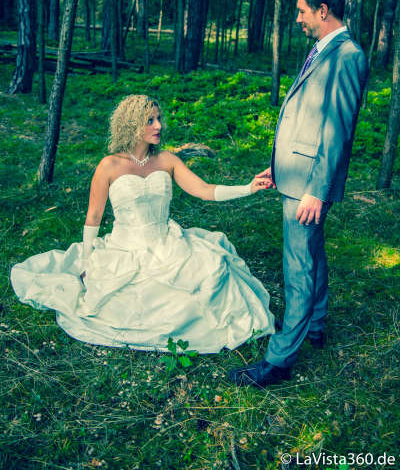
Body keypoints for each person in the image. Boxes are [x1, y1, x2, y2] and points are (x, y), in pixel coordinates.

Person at [11, 94, 276, 353]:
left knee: (212, 272)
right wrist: (87, 262)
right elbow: (93, 217)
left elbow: (204, 190)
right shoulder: (109, 165)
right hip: (125, 249)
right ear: (131, 124)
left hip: (167, 244)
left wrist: (248, 188)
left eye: (158, 119)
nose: (158, 125)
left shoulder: (167, 160)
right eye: (150, 120)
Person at [229, 0, 369, 387]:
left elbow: (337, 131)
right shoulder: (322, 49)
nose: (297, 18)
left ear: (323, 11)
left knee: (298, 267)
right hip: (298, 176)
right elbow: (307, 119)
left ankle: (279, 361)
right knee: (312, 254)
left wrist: (316, 191)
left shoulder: (347, 56)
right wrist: (280, 166)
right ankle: (316, 325)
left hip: (310, 186)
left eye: (302, 11)